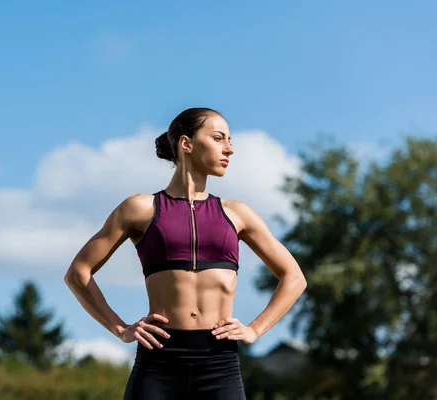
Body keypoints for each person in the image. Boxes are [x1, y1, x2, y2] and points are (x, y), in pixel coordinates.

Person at [63, 107, 307, 399]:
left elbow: (294, 277)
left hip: (219, 362)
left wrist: (255, 329)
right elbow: (78, 273)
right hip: (158, 361)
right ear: (186, 144)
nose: (229, 149)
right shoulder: (140, 208)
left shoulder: (238, 214)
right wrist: (121, 329)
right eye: (218, 138)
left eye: (230, 140)